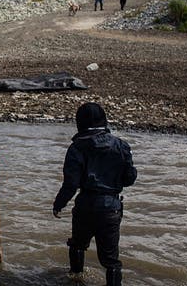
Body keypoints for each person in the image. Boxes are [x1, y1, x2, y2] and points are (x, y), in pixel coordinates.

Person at [53, 102, 137, 286]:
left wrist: (58, 204)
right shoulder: (121, 146)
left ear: (79, 122)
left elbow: (70, 184)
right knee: (111, 261)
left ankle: (75, 279)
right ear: (103, 121)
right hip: (111, 208)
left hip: (85, 206)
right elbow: (130, 178)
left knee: (77, 245)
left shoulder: (76, 148)